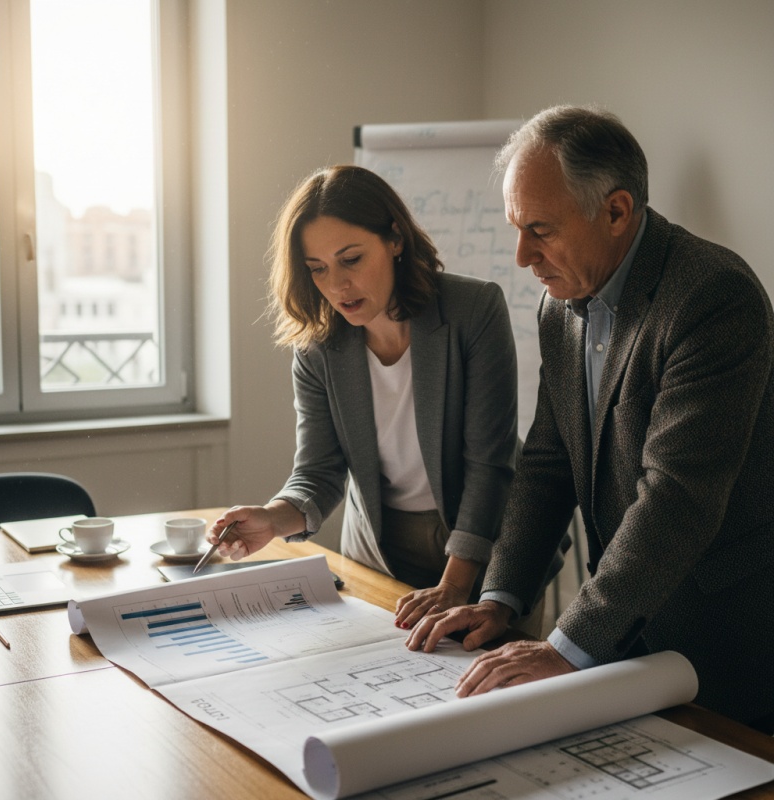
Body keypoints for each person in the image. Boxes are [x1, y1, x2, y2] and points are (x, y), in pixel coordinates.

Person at [406, 105, 774, 730]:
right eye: (516, 228)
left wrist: (565, 645)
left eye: (541, 229)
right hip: (622, 628)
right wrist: (500, 597)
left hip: (725, 635)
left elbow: (676, 498)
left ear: (616, 211)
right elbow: (547, 462)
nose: (523, 256)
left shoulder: (714, 295)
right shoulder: (561, 305)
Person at [208, 164, 524, 630]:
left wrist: (455, 585)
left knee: (491, 685)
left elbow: (488, 464)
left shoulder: (473, 311)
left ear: (395, 239)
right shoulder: (318, 348)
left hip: (483, 541)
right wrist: (273, 520)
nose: (337, 286)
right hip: (379, 544)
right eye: (317, 269)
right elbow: (318, 471)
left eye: (351, 259)